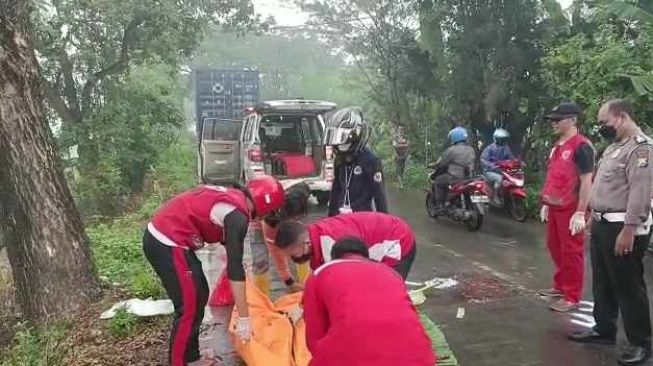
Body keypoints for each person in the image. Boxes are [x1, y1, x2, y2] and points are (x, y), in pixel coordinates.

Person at [142, 175, 284, 366]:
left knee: (200, 292)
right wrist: (244, 318)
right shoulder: (238, 215)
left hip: (170, 238)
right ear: (265, 206)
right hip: (167, 241)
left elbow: (230, 250)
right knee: (189, 305)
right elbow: (235, 269)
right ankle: (180, 362)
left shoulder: (235, 199)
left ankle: (191, 356)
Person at [568, 100, 653, 366]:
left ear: (622, 117)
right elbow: (603, 188)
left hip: (624, 226)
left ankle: (641, 344)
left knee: (628, 287)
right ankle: (604, 328)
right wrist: (593, 216)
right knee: (602, 281)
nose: (601, 127)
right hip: (604, 224)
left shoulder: (641, 149)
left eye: (604, 122)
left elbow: (640, 194)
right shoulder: (614, 147)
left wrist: (628, 230)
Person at [302, 237, 437, 366]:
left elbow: (314, 333)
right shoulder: (391, 273)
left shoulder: (321, 273)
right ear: (366, 255)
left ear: (334, 257)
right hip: (420, 357)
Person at [538, 102, 595, 313]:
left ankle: (572, 296)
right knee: (554, 246)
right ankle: (560, 285)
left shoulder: (581, 146)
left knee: (572, 251)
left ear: (572, 120)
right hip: (555, 204)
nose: (553, 123)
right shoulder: (558, 145)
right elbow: (554, 175)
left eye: (557, 120)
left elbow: (587, 180)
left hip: (571, 208)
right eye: (552, 120)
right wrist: (546, 203)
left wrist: (581, 211)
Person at [273, 212, 417, 279]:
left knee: (386, 292)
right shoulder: (314, 235)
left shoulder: (330, 244)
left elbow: (345, 281)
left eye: (292, 253)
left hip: (397, 240)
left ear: (305, 244)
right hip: (380, 236)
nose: (292, 258)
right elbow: (318, 276)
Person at [325, 107, 388, 216]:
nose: (339, 147)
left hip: (362, 219)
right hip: (342, 218)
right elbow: (335, 192)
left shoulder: (370, 161)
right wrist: (330, 219)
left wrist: (384, 225)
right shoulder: (340, 160)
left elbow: (380, 197)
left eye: (343, 143)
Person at [254, 182, 312, 295]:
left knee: (302, 247)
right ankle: (262, 298)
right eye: (295, 219)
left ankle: (307, 286)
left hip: (286, 203)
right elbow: (278, 256)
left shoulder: (300, 194)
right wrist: (289, 282)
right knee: (260, 262)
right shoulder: (271, 222)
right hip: (259, 219)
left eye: (299, 218)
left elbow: (305, 246)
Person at [430, 126, 476, 213]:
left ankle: (440, 205)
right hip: (469, 178)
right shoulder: (471, 149)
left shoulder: (451, 150)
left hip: (454, 177)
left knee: (438, 181)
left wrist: (434, 166)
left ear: (454, 137)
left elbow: (442, 163)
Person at [481, 128, 515, 204]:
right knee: (499, 179)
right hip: (490, 171)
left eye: (504, 139)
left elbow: (511, 158)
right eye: (501, 139)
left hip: (502, 171)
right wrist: (492, 166)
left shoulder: (506, 148)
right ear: (496, 139)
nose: (503, 141)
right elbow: (483, 160)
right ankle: (495, 196)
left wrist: (518, 163)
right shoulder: (489, 148)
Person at [392, 120, 410, 189]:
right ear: (398, 130)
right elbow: (394, 146)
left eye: (402, 129)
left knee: (402, 169)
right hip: (397, 155)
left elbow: (408, 145)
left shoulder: (405, 137)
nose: (401, 130)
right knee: (398, 170)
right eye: (400, 129)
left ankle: (400, 181)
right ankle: (401, 184)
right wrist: (404, 145)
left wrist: (400, 145)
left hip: (403, 156)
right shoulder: (395, 137)